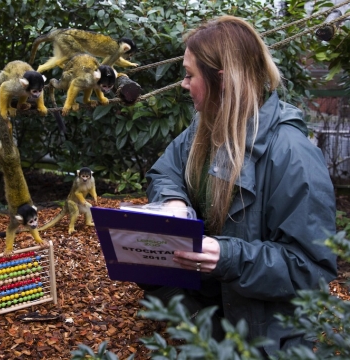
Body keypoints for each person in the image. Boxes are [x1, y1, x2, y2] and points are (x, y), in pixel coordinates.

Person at [141, 15, 338, 356]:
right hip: (207, 305)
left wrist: (227, 257)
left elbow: (312, 269)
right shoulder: (204, 127)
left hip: (262, 333)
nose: (183, 85)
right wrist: (173, 202)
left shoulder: (292, 155)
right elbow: (165, 172)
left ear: (221, 80)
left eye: (190, 75)